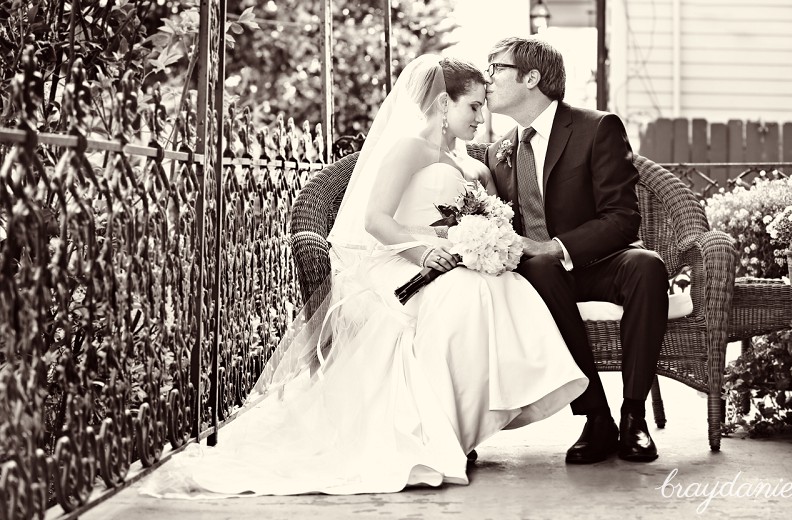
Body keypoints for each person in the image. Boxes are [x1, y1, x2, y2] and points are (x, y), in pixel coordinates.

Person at [140, 54, 588, 498]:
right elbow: (376, 220)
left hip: (453, 260)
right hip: (401, 259)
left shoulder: (475, 165)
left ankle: (465, 424)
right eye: (472, 106)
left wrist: (483, 243)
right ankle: (441, 430)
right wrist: (424, 253)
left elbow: (488, 220)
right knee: (466, 298)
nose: (481, 116)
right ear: (441, 104)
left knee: (499, 288)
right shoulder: (410, 148)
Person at [484, 37, 669, 463]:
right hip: (540, 277)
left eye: (496, 68)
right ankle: (597, 419)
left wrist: (556, 246)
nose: (487, 78)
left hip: (599, 261)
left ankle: (633, 416)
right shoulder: (498, 153)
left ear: (531, 78)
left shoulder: (597, 127)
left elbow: (622, 217)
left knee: (647, 266)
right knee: (542, 269)